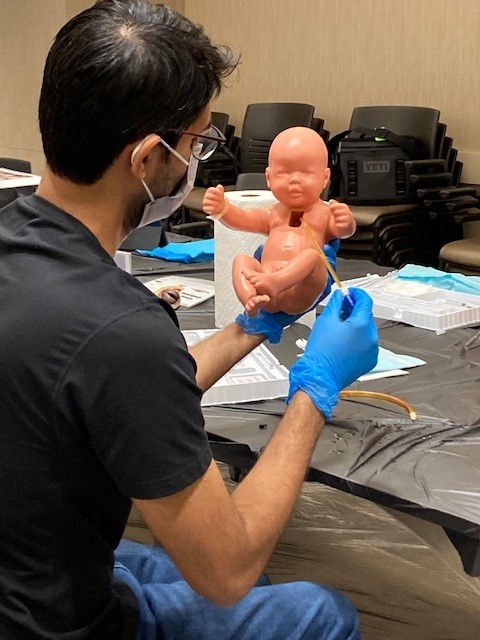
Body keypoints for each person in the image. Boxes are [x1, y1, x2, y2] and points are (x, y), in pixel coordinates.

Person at [0, 1, 378, 639]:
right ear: (149, 158)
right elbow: (226, 570)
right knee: (316, 608)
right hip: (52, 621)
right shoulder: (120, 328)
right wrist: (316, 387)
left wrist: (250, 329)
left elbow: (115, 389)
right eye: (198, 143)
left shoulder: (22, 250)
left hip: (23, 558)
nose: (198, 159)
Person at [202, 127, 356, 315]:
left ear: (325, 178)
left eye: (306, 172)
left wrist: (345, 221)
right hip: (265, 286)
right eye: (284, 173)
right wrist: (223, 209)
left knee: (313, 255)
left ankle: (276, 282)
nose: (294, 180)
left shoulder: (324, 213)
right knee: (241, 260)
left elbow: (342, 231)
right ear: (269, 177)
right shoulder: (273, 213)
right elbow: (244, 219)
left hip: (300, 289)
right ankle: (250, 298)